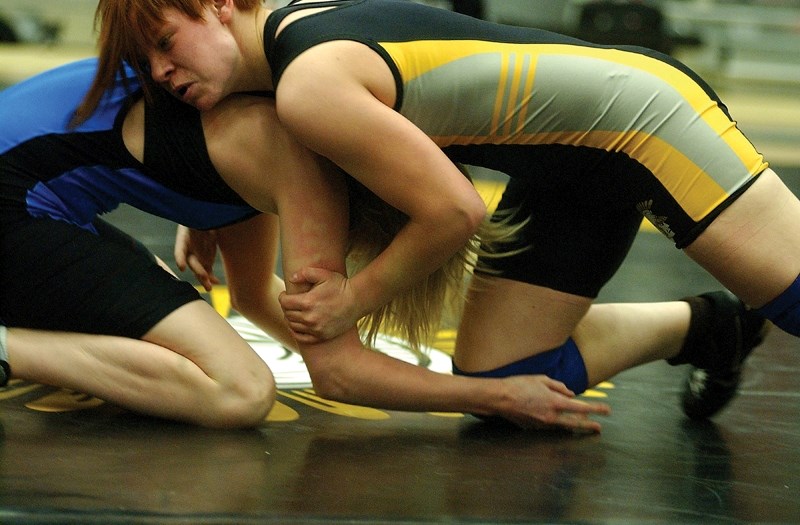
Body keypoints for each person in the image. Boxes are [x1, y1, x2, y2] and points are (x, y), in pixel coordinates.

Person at [83, 0, 787, 425]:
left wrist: (352, 299)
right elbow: (255, 132)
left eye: (166, 42)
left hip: (647, 122)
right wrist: (208, 206)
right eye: (148, 68)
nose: (163, 73)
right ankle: (712, 327)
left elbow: (454, 211)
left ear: (220, 2)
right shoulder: (288, 48)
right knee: (501, 374)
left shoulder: (308, 81)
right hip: (570, 169)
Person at [2, 58, 617, 431]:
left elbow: (253, 295)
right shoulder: (294, 154)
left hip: (33, 207)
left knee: (146, 304)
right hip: (14, 209)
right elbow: (337, 374)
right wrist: (494, 394)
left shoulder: (280, 119)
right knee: (238, 391)